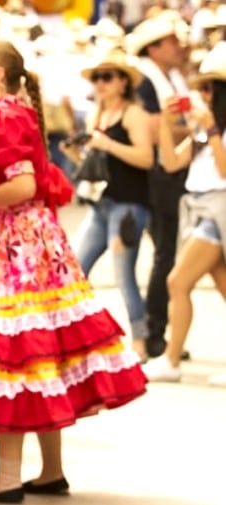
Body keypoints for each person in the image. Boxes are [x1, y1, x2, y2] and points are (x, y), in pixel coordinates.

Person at [0, 40, 147, 503]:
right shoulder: (16, 112)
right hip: (35, 245)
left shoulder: (5, 115)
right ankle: (50, 470)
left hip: (16, 249)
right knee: (40, 352)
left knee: (13, 353)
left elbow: (22, 185)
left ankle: (8, 477)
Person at [61, 49, 155, 359]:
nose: (100, 83)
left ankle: (140, 343)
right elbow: (96, 162)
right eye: (97, 78)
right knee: (75, 270)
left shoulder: (133, 114)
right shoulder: (96, 115)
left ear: (123, 83)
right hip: (101, 204)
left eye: (107, 77)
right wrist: (76, 153)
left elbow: (146, 158)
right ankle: (76, 339)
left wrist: (108, 144)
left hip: (127, 206)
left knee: (124, 275)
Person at [142, 42, 226, 384]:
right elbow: (171, 161)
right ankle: (171, 359)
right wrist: (166, 120)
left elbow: (223, 171)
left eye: (209, 88)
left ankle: (171, 359)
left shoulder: (214, 131)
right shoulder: (205, 131)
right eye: (200, 87)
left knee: (177, 280)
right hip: (201, 210)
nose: (202, 94)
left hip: (217, 211)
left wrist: (211, 129)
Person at [126, 11, 191, 358]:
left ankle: (160, 332)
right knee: (166, 254)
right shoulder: (147, 81)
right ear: (153, 49)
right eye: (172, 41)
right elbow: (152, 130)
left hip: (172, 173)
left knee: (169, 253)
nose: (179, 47)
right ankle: (154, 332)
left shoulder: (169, 77)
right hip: (160, 177)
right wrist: (194, 127)